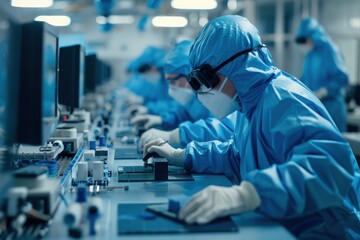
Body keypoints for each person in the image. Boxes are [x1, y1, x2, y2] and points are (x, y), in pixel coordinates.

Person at [144, 15, 360, 239]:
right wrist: (184, 155)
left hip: (327, 231)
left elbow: (330, 167)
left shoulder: (283, 100)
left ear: (238, 68)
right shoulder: (250, 104)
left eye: (208, 81)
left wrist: (248, 194)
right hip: (288, 224)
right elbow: (239, 155)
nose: (203, 93)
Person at [130, 40, 210, 130]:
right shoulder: (193, 97)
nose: (171, 87)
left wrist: (178, 136)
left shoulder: (210, 97)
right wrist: (162, 119)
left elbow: (214, 130)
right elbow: (183, 112)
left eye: (173, 81)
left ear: (188, 74)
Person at [296, 17, 349, 132]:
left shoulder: (330, 50)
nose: (305, 44)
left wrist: (325, 91)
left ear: (314, 36)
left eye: (306, 40)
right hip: (316, 109)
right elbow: (305, 79)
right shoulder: (310, 54)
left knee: (334, 145)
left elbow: (342, 78)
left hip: (332, 110)